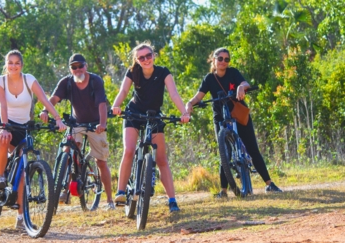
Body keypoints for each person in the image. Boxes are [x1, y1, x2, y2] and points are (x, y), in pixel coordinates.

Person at [185, 47, 282, 198]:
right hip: (221, 118)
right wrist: (189, 104)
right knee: (225, 153)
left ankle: (269, 184)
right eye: (220, 59)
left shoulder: (233, 72)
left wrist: (241, 88)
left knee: (252, 148)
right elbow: (198, 96)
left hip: (239, 115)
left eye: (227, 59)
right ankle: (223, 191)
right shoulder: (209, 79)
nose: (223, 62)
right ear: (213, 60)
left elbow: (244, 83)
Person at [0, 50, 66, 230]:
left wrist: (57, 118)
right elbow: (3, 106)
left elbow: (44, 100)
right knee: (3, 137)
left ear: (22, 65)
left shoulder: (29, 80)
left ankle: (20, 218)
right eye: (10, 62)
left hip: (24, 127)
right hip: (2, 122)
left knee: (23, 171)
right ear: (6, 64)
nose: (13, 66)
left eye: (17, 63)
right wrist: (5, 127)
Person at [111, 42, 190, 212]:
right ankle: (121, 192)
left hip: (153, 115)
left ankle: (172, 201)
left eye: (148, 55)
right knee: (129, 150)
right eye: (141, 57)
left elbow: (174, 93)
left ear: (154, 55)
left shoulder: (163, 72)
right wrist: (116, 105)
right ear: (137, 60)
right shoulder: (133, 72)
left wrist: (184, 112)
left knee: (161, 159)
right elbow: (124, 91)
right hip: (134, 113)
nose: (146, 59)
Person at [39, 53, 115, 210]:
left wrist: (102, 123)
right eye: (74, 67)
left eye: (80, 66)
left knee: (101, 162)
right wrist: (45, 110)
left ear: (86, 66)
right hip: (77, 123)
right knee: (68, 151)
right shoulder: (66, 82)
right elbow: (54, 99)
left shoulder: (95, 81)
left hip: (95, 124)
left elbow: (102, 104)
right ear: (70, 69)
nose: (78, 69)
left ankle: (109, 201)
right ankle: (64, 189)